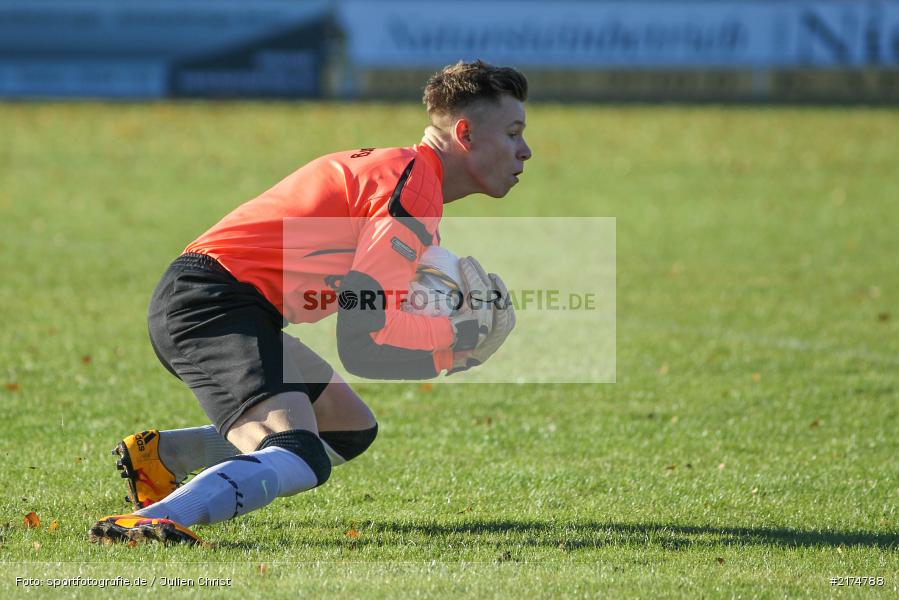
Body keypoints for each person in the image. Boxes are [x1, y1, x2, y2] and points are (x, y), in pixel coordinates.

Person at [88, 59, 531, 545]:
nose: (525, 151)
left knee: (345, 429)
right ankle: (153, 519)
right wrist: (458, 334)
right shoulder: (411, 191)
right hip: (211, 305)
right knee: (300, 452)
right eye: (513, 133)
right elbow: (362, 339)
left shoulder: (407, 178)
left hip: (228, 301)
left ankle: (159, 459)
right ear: (464, 133)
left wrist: (451, 351)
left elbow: (371, 327)